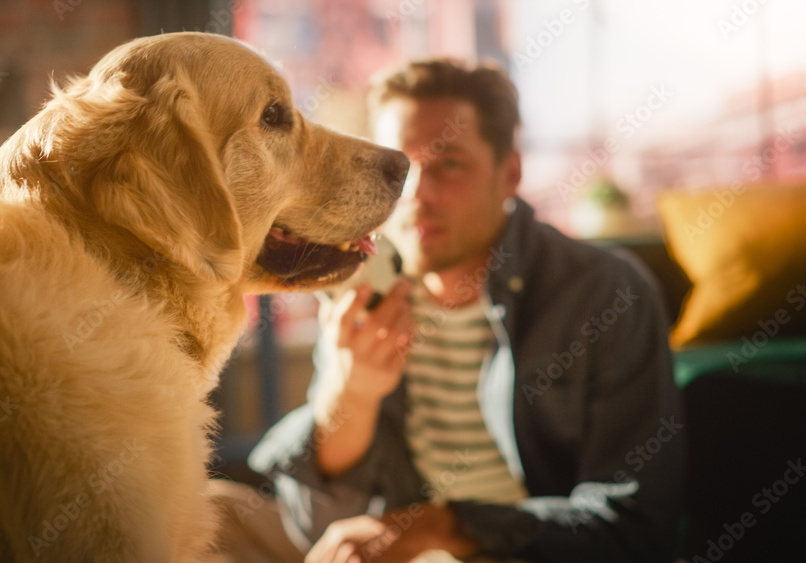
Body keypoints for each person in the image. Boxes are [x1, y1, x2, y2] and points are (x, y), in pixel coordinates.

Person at [216, 58, 684, 563]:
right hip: (396, 544)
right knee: (209, 514)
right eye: (403, 167)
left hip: (511, 550)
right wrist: (352, 393)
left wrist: (443, 528)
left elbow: (636, 527)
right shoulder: (365, 288)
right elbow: (315, 527)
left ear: (510, 174)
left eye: (450, 165)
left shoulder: (603, 293)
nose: (418, 193)